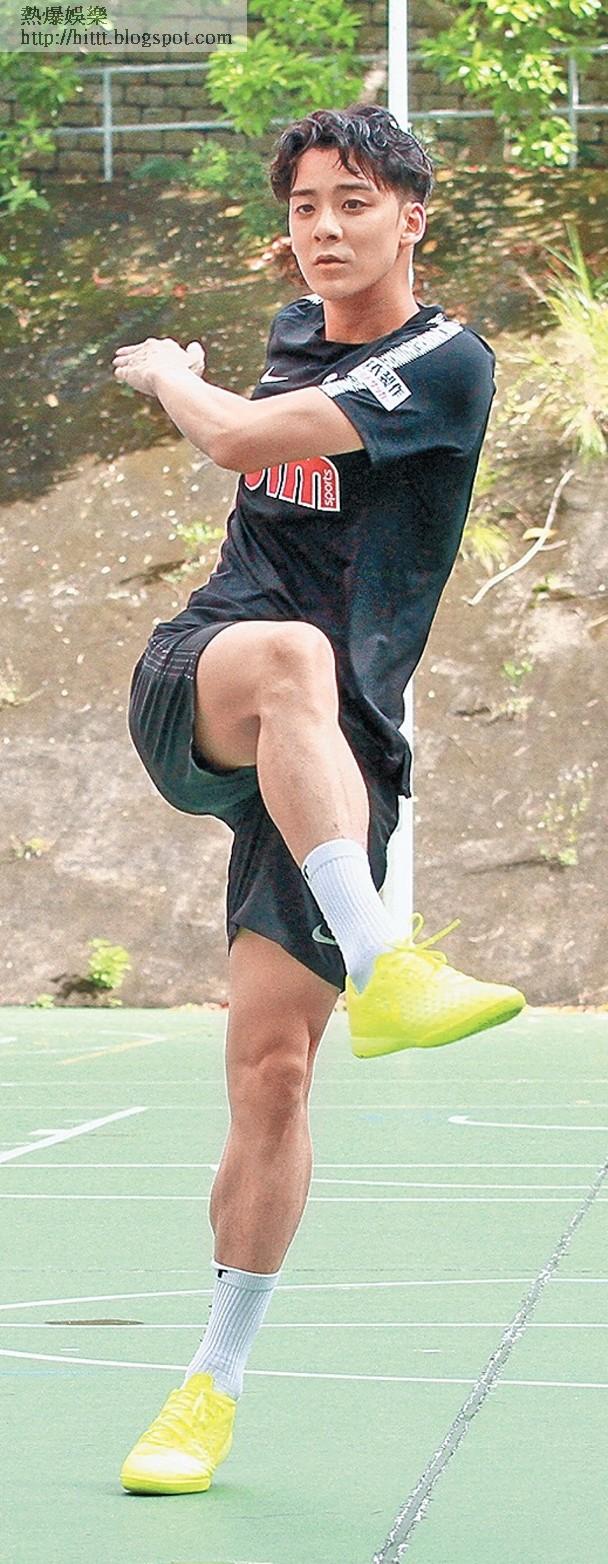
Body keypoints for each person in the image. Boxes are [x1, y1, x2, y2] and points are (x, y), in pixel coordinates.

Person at [115, 104, 526, 1498]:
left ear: (413, 217)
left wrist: (168, 372)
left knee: (276, 1072)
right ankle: (389, 959)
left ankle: (208, 1391)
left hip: (339, 759)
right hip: (210, 675)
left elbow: (239, 438)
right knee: (290, 651)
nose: (326, 229)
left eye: (354, 201)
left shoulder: (444, 362)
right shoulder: (298, 328)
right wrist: (197, 385)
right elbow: (249, 464)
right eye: (304, 207)